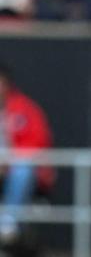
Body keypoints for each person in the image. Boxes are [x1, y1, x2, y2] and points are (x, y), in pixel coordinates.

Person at [0, 61, 54, 256]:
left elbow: (38, 144)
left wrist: (9, 161)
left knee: (23, 168)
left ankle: (7, 225)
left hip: (17, 173)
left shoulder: (24, 109)